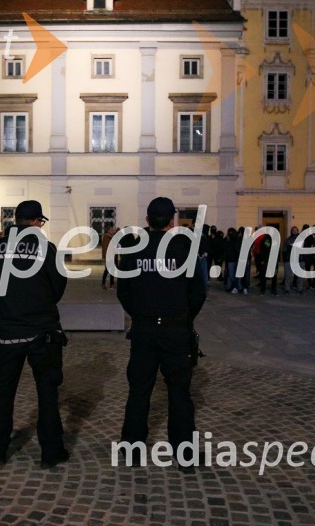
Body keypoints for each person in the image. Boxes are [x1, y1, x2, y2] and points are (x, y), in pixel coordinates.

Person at [116, 197, 207, 473]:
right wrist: (184, 318)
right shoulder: (185, 246)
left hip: (143, 329)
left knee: (139, 391)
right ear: (172, 221)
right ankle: (185, 456)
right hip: (175, 328)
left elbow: (124, 291)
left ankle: (132, 450)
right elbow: (198, 293)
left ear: (147, 220)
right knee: (179, 393)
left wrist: (139, 314)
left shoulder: (133, 247)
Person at [0, 200, 69, 468]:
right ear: (35, 222)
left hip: (7, 333)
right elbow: (58, 288)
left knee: (3, 393)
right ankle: (50, 452)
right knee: (47, 393)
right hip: (41, 333)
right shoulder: (47, 249)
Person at [101, 225, 120, 290]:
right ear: (108, 231)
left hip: (114, 256)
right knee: (107, 270)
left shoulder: (112, 237)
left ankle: (111, 284)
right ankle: (103, 283)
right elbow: (106, 248)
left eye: (113, 230)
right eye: (112, 230)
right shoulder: (106, 237)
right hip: (110, 257)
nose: (113, 231)